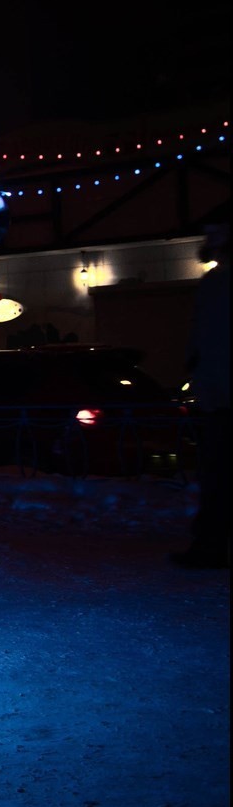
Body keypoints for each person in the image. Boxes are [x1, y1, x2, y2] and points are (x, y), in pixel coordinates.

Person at [173, 224, 229, 568]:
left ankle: (210, 545)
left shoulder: (215, 285)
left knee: (218, 475)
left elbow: (202, 343)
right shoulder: (215, 284)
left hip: (219, 399)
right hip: (217, 395)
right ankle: (209, 543)